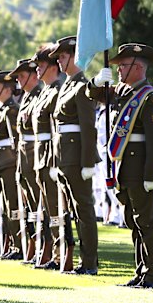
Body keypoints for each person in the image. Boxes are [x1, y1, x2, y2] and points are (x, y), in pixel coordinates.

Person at [88, 43, 153, 288]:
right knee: (133, 220)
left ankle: (152, 275)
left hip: (139, 166)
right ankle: (141, 271)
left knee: (146, 221)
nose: (119, 69)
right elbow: (92, 95)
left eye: (123, 65)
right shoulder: (122, 91)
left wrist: (152, 172)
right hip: (122, 167)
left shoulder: (149, 97)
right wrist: (97, 81)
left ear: (138, 67)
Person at [48, 36, 100, 275]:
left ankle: (89, 262)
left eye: (63, 56)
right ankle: (80, 259)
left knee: (84, 211)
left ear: (75, 56)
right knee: (72, 211)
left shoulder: (82, 87)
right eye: (58, 57)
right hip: (64, 158)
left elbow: (89, 127)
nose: (59, 60)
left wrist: (88, 162)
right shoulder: (67, 85)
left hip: (77, 158)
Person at [29, 45, 75, 271]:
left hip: (52, 155)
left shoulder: (57, 91)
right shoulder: (45, 91)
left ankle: (64, 253)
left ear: (53, 66)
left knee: (58, 209)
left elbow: (57, 128)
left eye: (41, 65)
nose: (37, 70)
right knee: (48, 210)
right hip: (40, 156)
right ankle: (54, 252)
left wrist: (57, 160)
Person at [10, 58, 42, 263]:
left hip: (35, 155)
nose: (18, 81)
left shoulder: (38, 95)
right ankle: (36, 245)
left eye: (21, 76)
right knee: (31, 205)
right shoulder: (27, 98)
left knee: (41, 205)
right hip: (24, 157)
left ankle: (46, 245)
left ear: (32, 75)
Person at [0, 70, 21, 260]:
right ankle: (11, 242)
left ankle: (19, 244)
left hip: (9, 162)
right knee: (5, 205)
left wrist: (16, 165)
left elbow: (15, 140)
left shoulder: (11, 110)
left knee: (12, 205)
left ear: (8, 90)